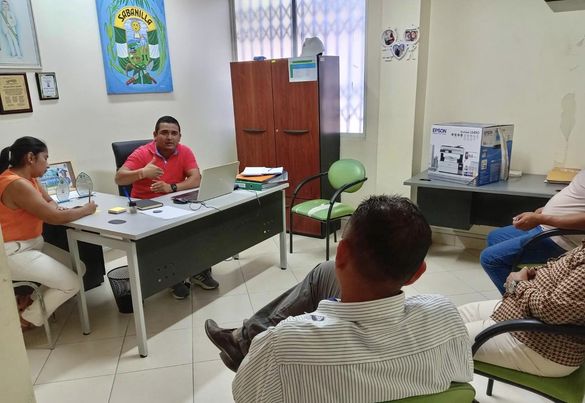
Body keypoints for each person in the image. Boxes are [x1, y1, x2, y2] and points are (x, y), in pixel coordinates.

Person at [205, 195, 473, 402]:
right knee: (323, 272)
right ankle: (242, 338)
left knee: (323, 273)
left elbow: (245, 395)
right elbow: (462, 376)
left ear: (341, 254)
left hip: (275, 351)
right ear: (417, 274)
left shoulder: (281, 344)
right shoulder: (445, 315)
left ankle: (244, 341)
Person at [114, 115, 219, 299]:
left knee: (203, 222)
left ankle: (199, 271)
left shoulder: (184, 151)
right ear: (155, 135)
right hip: (146, 207)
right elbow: (119, 178)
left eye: (174, 133)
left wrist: (171, 188)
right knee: (170, 234)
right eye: (164, 133)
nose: (169, 137)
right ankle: (173, 278)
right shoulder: (142, 153)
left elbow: (196, 179)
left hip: (175, 202)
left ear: (179, 136)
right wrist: (142, 172)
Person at [0, 137, 96, 329]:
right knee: (72, 283)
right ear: (30, 158)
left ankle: (30, 301)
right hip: (13, 252)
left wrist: (54, 210)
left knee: (79, 267)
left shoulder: (30, 179)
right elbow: (54, 217)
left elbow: (50, 203)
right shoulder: (15, 184)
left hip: (33, 244)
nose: (48, 164)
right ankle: (27, 319)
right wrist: (85, 210)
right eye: (45, 157)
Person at [460, 244, 585, 377]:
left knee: (446, 340)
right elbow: (558, 271)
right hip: (523, 316)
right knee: (451, 316)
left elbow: (552, 310)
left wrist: (518, 284)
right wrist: (533, 273)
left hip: (543, 346)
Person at [480, 169, 585, 294]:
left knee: (490, 259)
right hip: (547, 226)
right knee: (494, 237)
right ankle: (521, 286)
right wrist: (546, 209)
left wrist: (542, 218)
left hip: (559, 237)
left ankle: (517, 302)